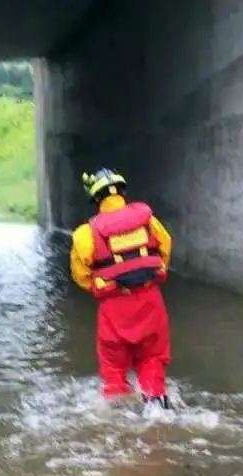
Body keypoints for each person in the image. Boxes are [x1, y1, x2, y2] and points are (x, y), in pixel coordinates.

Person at [69, 168, 173, 409]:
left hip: (113, 307)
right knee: (151, 358)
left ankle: (117, 416)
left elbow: (81, 274)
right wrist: (146, 277)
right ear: (122, 192)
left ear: (96, 199)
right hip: (150, 301)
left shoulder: (86, 234)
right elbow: (165, 248)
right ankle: (156, 405)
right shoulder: (149, 221)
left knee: (114, 367)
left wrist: (104, 286)